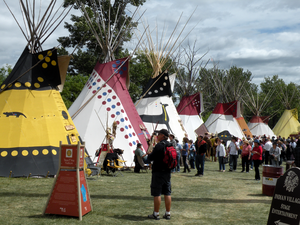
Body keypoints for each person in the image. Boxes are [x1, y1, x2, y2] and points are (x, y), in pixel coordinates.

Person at [147, 129, 172, 220]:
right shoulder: (170, 145)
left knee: (157, 193)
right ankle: (167, 213)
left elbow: (150, 157)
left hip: (158, 172)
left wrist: (149, 154)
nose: (157, 136)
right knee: (167, 193)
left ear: (162, 135)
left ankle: (156, 213)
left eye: (158, 134)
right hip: (167, 171)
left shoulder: (159, 146)